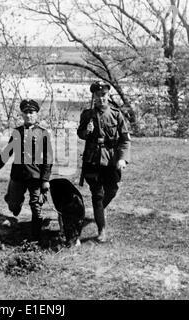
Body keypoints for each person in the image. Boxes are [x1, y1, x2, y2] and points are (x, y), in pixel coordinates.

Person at [0, 99, 53, 242]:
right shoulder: (17, 132)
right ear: (22, 114)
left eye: (31, 112)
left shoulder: (43, 133)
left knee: (36, 206)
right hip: (18, 176)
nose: (29, 115)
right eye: (26, 112)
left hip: (35, 176)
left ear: (36, 114)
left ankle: (36, 238)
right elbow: (6, 153)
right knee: (13, 207)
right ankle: (13, 201)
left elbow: (48, 158)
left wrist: (45, 180)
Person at [77, 81, 131, 243]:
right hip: (92, 160)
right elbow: (80, 133)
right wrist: (86, 131)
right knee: (97, 195)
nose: (101, 98)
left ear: (108, 95)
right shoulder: (87, 115)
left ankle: (98, 211)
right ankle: (102, 228)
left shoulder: (116, 114)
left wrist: (122, 158)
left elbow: (125, 140)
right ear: (93, 96)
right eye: (98, 95)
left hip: (111, 159)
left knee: (112, 190)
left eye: (104, 95)